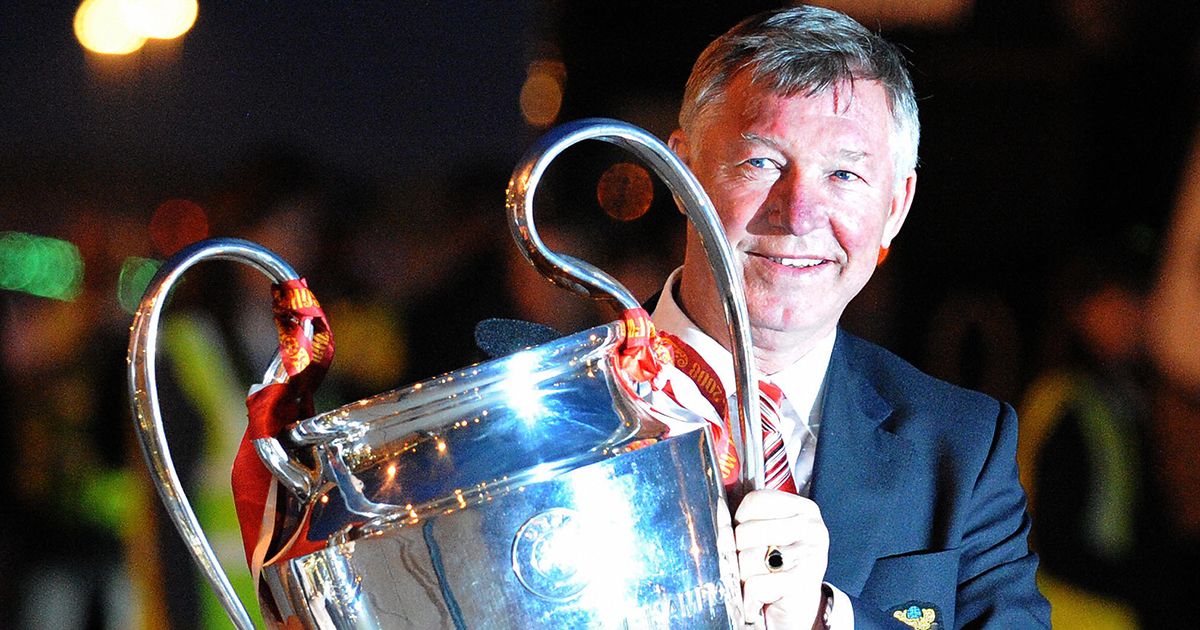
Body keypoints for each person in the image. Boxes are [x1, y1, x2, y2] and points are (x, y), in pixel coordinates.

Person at [651, 6, 1051, 628]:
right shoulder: (544, 410)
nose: (800, 211)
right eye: (761, 163)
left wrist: (825, 617)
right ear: (681, 173)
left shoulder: (961, 449)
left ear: (896, 206)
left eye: (844, 173)